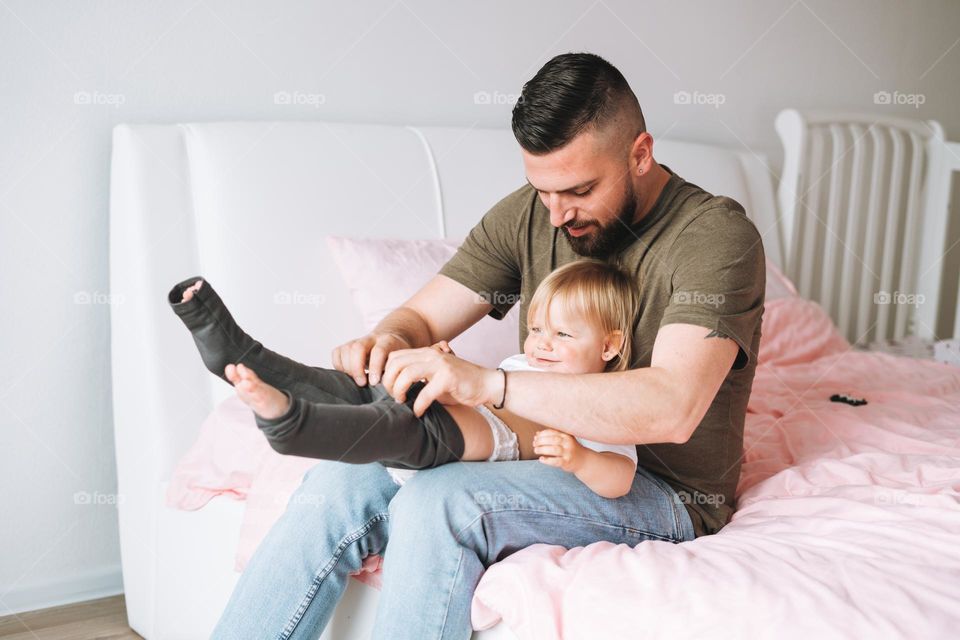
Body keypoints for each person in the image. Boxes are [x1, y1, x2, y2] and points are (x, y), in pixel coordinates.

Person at [203, 52, 765, 639]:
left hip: (660, 489)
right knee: (339, 480)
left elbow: (671, 407)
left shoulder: (716, 237)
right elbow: (422, 315)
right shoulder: (536, 213)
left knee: (440, 501)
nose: (556, 214)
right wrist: (388, 340)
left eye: (578, 190)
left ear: (640, 154)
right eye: (541, 190)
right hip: (533, 451)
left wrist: (487, 383)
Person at [168, 259, 641, 499]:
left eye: (562, 334)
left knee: (397, 426)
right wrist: (445, 361)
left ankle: (294, 425)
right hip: (456, 411)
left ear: (609, 346)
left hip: (468, 435)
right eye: (536, 329)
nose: (541, 343)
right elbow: (480, 387)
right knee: (354, 389)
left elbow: (620, 477)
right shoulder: (523, 365)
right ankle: (242, 354)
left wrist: (580, 459)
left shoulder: (608, 403)